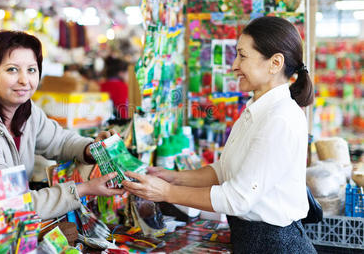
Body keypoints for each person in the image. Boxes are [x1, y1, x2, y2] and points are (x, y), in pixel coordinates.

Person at [122, 16, 316, 253]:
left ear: (275, 63)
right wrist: (172, 177)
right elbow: (223, 171)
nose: (234, 65)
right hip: (251, 239)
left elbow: (237, 198)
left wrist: (166, 192)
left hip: (275, 244)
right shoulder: (256, 112)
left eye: (242, 56)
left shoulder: (280, 119)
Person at [0, 31, 124, 220]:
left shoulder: (26, 111)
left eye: (31, 70)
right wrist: (83, 190)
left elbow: (60, 140)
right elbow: (8, 205)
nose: (24, 80)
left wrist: (91, 149)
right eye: (12, 70)